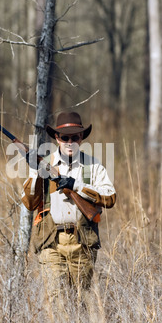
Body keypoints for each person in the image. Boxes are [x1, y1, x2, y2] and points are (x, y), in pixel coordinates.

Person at [21, 111, 116, 302]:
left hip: (83, 242)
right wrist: (36, 173)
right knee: (56, 301)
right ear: (57, 138)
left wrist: (76, 186)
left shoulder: (93, 166)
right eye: (65, 137)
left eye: (75, 137)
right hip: (51, 241)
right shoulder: (44, 164)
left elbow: (110, 198)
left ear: (81, 138)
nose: (70, 141)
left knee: (83, 300)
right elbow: (30, 203)